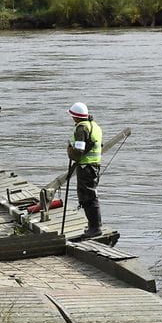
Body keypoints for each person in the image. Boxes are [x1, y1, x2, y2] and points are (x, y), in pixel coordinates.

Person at [67, 102, 103, 238]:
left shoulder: (81, 128)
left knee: (88, 197)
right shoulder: (94, 126)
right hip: (94, 165)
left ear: (76, 116)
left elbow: (79, 150)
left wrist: (70, 150)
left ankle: (95, 228)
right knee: (90, 195)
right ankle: (93, 225)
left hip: (85, 167)